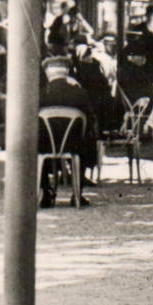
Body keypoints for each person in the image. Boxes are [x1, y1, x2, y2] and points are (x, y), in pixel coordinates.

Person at [38, 54, 98, 205]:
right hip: (74, 145)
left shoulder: (40, 94)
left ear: (48, 73)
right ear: (67, 72)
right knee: (88, 140)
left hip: (44, 146)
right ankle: (78, 193)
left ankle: (45, 190)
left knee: (35, 142)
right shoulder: (79, 93)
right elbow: (90, 122)